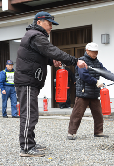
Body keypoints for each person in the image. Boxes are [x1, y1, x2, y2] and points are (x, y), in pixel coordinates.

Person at [14, 11, 87, 157]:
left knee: (31, 113)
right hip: (27, 81)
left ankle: (31, 142)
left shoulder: (34, 36)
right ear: (39, 22)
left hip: (30, 81)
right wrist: (75, 61)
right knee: (29, 114)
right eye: (49, 23)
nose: (51, 27)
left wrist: (49, 61)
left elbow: (38, 56)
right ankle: (27, 147)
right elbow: (52, 50)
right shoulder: (35, 35)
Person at [67, 43, 114, 140]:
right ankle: (71, 133)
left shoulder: (97, 63)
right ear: (87, 50)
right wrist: (96, 81)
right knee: (77, 114)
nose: (95, 53)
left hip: (94, 93)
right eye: (93, 51)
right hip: (83, 93)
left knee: (98, 114)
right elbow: (84, 76)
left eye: (96, 51)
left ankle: (98, 132)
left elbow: (105, 72)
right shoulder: (81, 61)